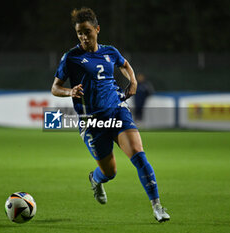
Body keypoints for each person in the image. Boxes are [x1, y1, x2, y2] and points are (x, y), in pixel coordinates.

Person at [51, 7, 170, 222]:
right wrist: (70, 91)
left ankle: (157, 206)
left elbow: (125, 65)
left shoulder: (110, 52)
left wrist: (132, 81)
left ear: (97, 29)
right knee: (110, 172)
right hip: (91, 122)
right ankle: (95, 180)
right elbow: (55, 87)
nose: (83, 36)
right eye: (79, 33)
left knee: (138, 154)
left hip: (117, 111)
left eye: (87, 31)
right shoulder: (71, 58)